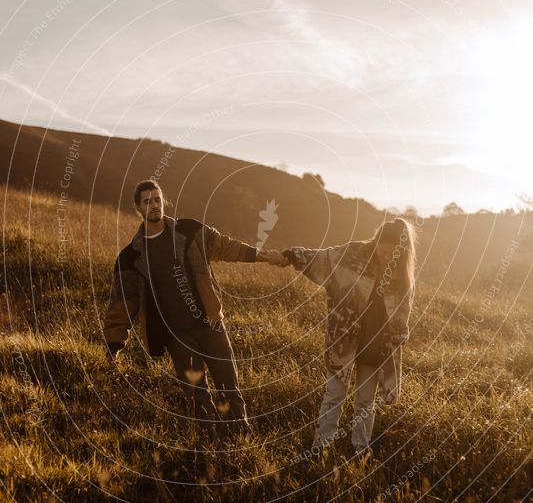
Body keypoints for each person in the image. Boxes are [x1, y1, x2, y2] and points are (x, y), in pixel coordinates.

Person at [102, 179, 285, 439]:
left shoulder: (189, 231)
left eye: (157, 199)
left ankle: (241, 442)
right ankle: (211, 448)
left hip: (211, 324)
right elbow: (122, 303)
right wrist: (113, 345)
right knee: (198, 399)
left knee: (230, 389)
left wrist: (260, 255)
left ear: (163, 201)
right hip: (178, 338)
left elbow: (225, 246)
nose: (154, 205)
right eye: (147, 201)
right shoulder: (130, 257)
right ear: (138, 209)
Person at [280, 218, 416, 460]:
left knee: (365, 402)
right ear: (376, 242)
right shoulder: (353, 255)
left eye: (392, 254)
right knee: (334, 395)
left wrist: (397, 339)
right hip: (343, 340)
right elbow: (324, 258)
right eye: (383, 251)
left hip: (376, 345)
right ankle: (321, 448)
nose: (386, 257)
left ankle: (361, 449)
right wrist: (293, 255)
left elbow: (403, 315)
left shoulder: (402, 275)